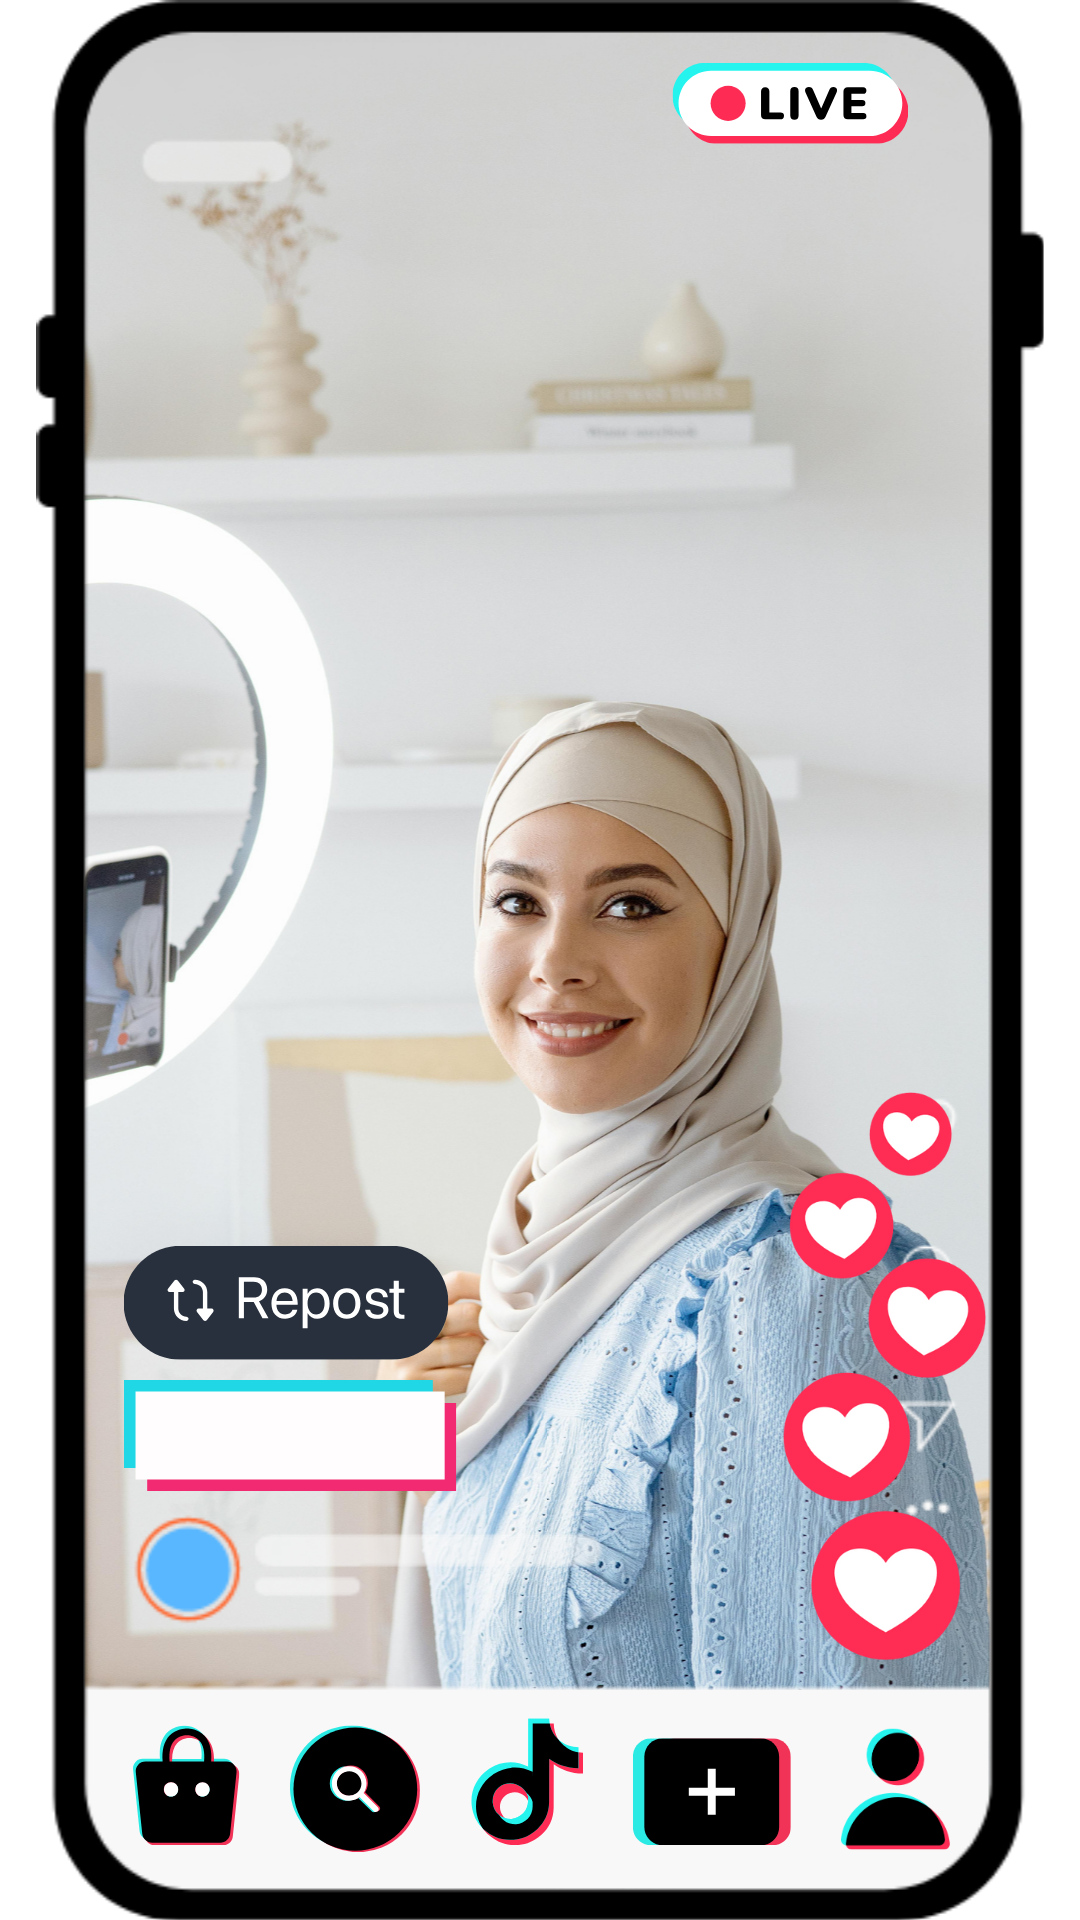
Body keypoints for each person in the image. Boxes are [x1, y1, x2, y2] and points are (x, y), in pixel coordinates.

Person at [382, 702, 989, 1688]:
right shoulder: (532, 1276)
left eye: (630, 904)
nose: (558, 961)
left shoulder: (802, 1280)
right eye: (518, 901)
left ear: (735, 937)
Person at [110, 902, 164, 1049]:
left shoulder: (172, 1018)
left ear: (141, 958)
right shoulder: (124, 1004)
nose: (113, 961)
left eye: (119, 953)